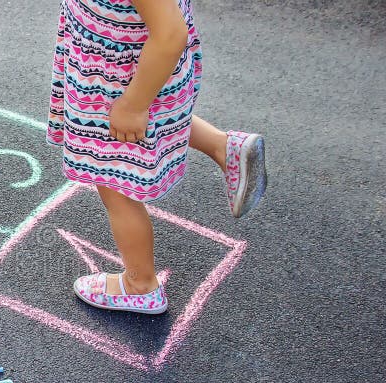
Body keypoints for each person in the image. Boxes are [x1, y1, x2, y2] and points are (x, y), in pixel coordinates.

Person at [47, 0, 267, 314]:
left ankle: (140, 286)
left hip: (125, 81)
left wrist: (133, 105)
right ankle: (223, 147)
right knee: (158, 124)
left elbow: (169, 35)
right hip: (127, 67)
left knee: (115, 184)